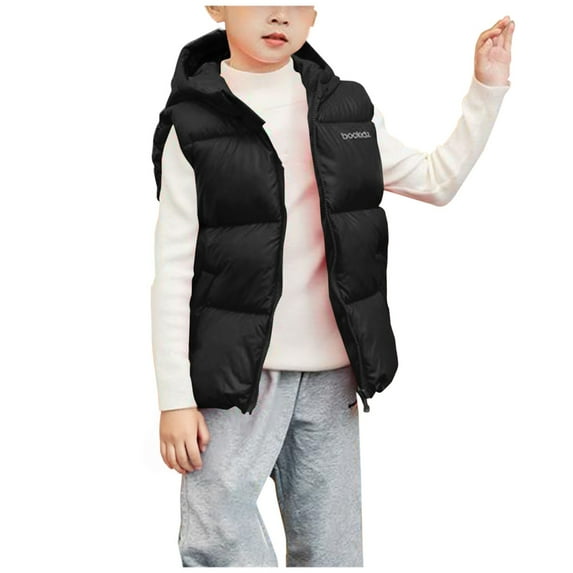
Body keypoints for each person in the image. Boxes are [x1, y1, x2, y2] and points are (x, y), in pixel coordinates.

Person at [150, 5, 514, 567]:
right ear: (217, 6)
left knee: (331, 546)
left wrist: (485, 90)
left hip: (332, 371)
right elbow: (174, 267)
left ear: (314, 14)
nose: (280, 15)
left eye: (297, 3)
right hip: (236, 373)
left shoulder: (344, 108)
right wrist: (176, 398)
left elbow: (436, 181)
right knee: (216, 527)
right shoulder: (193, 122)